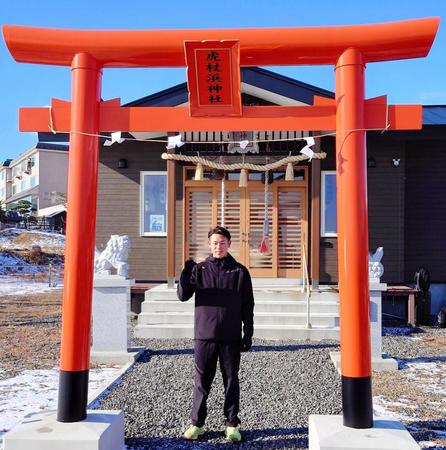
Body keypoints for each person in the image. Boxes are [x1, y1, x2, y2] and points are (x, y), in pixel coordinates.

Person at [177, 226, 254, 443]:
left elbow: (248, 305)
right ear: (209, 245)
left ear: (229, 244)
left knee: (231, 381)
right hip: (204, 336)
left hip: (230, 337)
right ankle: (196, 424)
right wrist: (185, 273)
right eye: (214, 242)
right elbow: (183, 296)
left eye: (222, 242)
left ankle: (231, 425)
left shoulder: (240, 272)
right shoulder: (200, 270)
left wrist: (248, 333)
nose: (218, 246)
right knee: (202, 381)